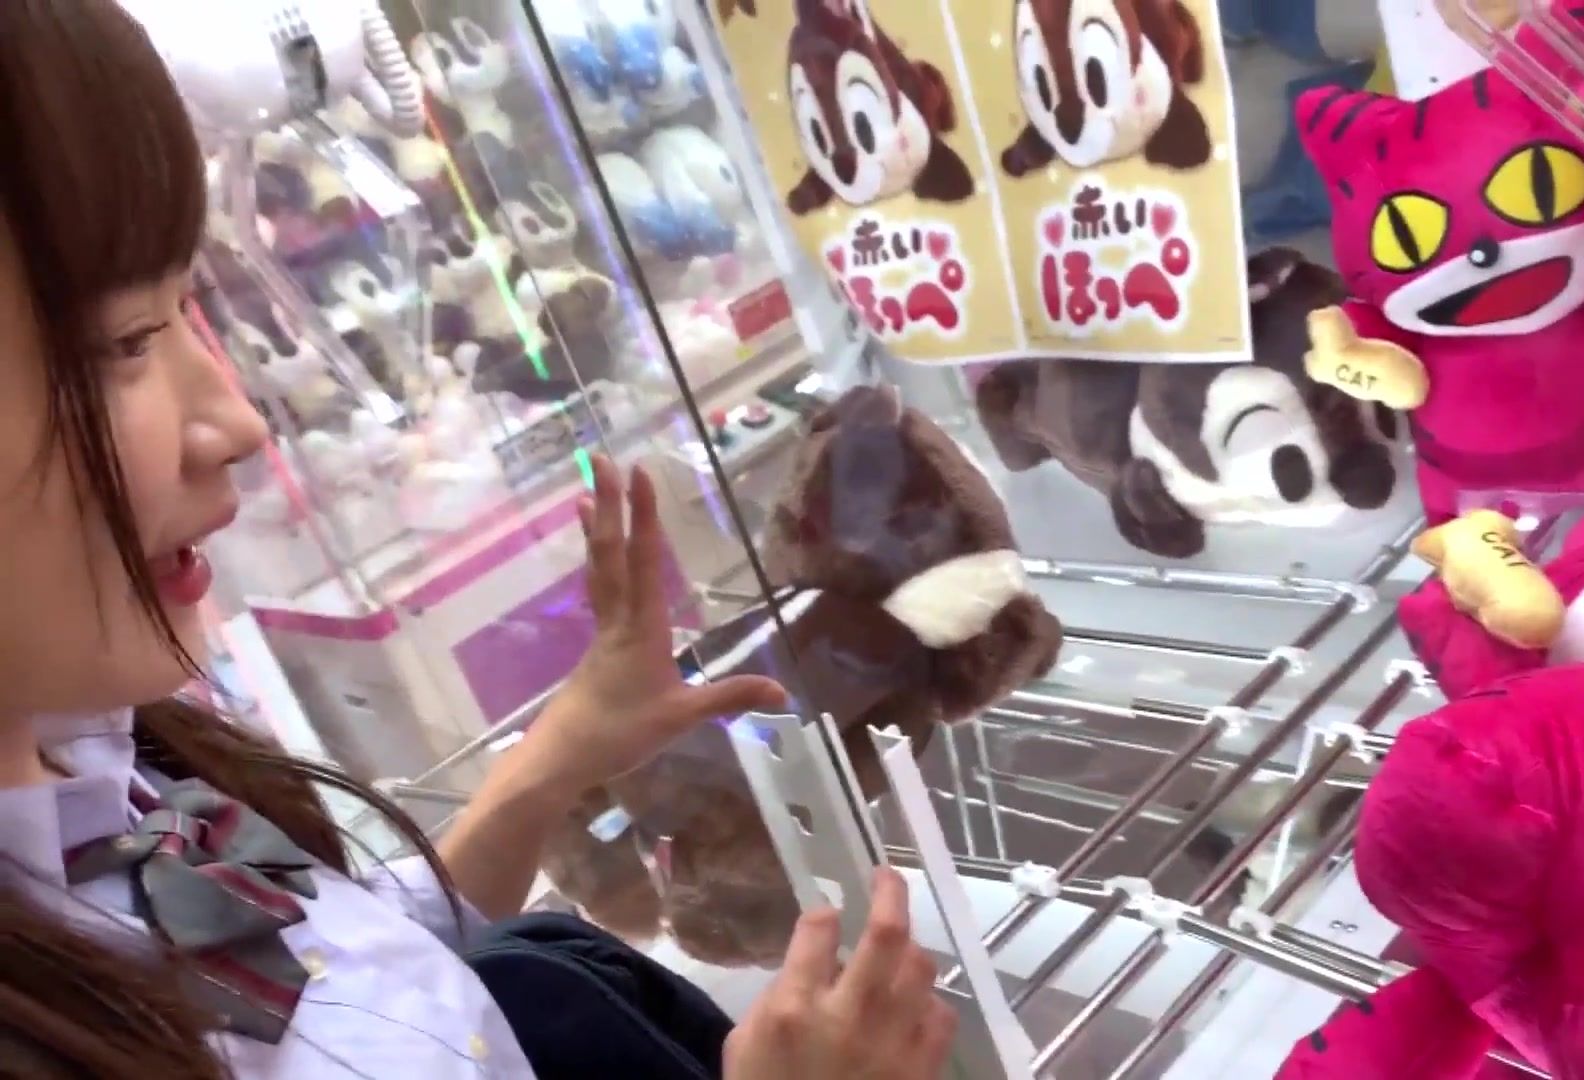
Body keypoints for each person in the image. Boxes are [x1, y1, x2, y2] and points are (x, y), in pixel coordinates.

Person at [0, 2, 955, 1077]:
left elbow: (358, 983)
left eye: (189, 312)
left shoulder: (112, 762)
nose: (237, 422)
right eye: (125, 343)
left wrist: (561, 754)